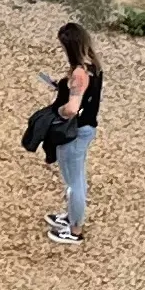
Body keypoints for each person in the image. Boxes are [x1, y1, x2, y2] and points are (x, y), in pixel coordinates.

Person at [43, 21, 104, 245]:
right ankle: (71, 216)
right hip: (87, 128)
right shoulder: (94, 66)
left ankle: (75, 229)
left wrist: (57, 110)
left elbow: (71, 108)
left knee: (74, 181)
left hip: (75, 131)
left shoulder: (79, 73)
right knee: (77, 178)